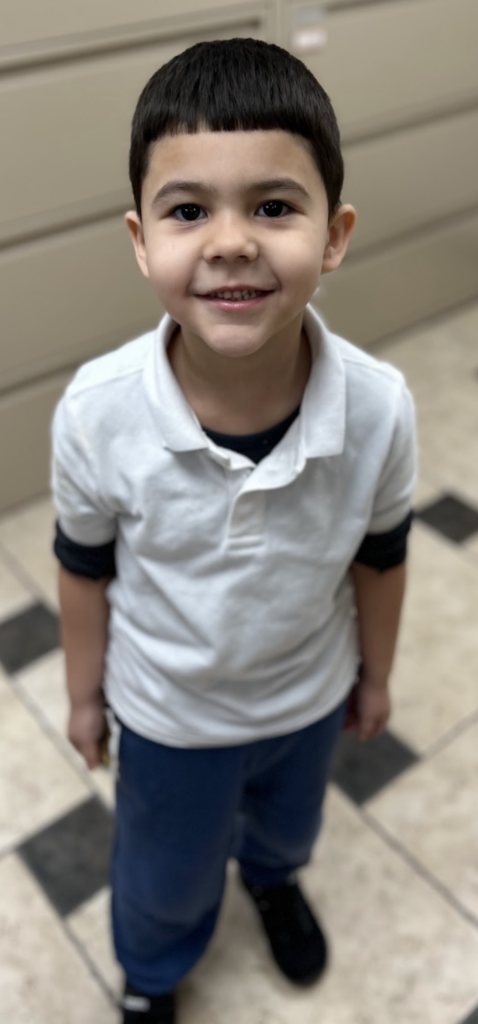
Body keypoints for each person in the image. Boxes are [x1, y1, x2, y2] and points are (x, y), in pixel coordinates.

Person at [51, 37, 416, 1024]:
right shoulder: (97, 412)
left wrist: (375, 676)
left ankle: (271, 877)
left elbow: (382, 554)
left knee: (288, 828)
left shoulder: (379, 406)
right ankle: (152, 970)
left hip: (307, 696)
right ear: (141, 240)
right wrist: (82, 697)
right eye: (188, 211)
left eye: (272, 206)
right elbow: (83, 566)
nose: (229, 242)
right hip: (168, 714)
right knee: (164, 873)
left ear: (333, 234)